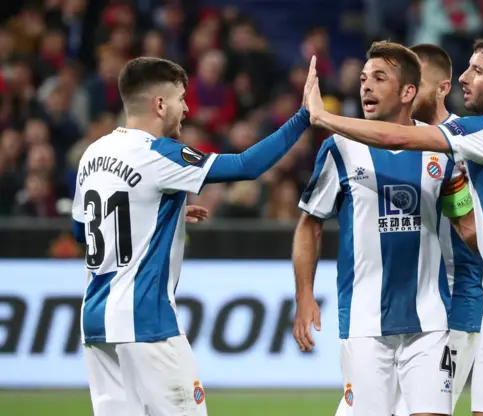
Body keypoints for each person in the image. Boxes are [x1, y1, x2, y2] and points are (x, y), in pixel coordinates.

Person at [306, 36, 483, 416]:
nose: (464, 77)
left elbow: (396, 136)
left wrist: (324, 117)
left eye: (477, 71)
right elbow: (477, 229)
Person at [71, 56, 316, 416]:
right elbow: (246, 166)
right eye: (181, 99)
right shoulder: (156, 152)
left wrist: (153, 214)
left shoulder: (93, 153)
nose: (186, 109)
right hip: (146, 320)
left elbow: (83, 230)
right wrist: (304, 117)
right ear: (159, 104)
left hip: (95, 322)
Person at [292, 41, 474, 416]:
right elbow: (309, 225)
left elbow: (465, 224)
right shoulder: (339, 148)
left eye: (379, 78)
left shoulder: (441, 147)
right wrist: (304, 296)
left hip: (430, 318)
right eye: (363, 78)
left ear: (408, 91)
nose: (365, 86)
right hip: (364, 322)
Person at [392, 44, 483, 416]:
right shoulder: (398, 142)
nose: (408, 92)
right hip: (409, 303)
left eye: (417, 83)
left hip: (458, 300)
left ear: (443, 88)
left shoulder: (466, 141)